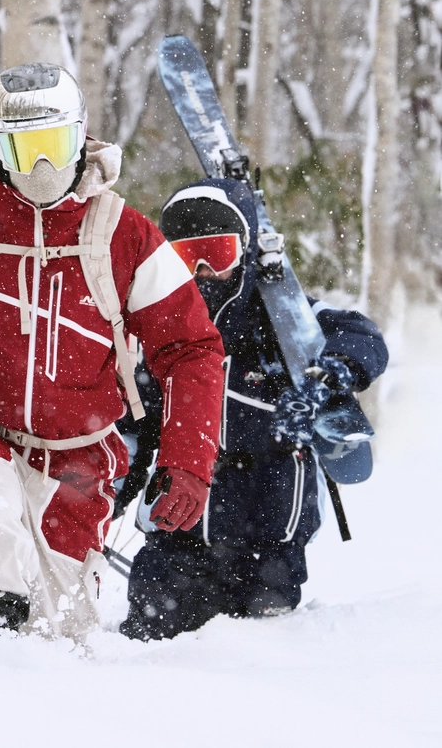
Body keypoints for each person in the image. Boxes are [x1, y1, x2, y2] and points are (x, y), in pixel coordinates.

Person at [0, 64, 225, 640]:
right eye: (23, 148)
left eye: (54, 145)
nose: (41, 167)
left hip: (78, 459)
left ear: (82, 136)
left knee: (58, 629)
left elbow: (190, 349)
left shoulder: (125, 236)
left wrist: (187, 461)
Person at [116, 177, 389, 641]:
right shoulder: (153, 333)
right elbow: (127, 434)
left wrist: (325, 380)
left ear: (243, 250)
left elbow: (363, 337)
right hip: (177, 540)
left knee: (257, 661)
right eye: (186, 256)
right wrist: (95, 498)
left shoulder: (281, 318)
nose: (203, 271)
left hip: (269, 546)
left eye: (217, 253)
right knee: (148, 655)